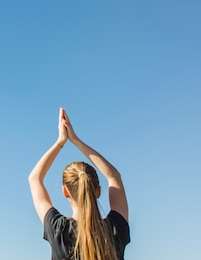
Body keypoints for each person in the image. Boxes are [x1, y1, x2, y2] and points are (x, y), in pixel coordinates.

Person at [28, 108, 130, 260]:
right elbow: (114, 177)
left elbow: (34, 178)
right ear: (98, 191)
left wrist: (61, 141)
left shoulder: (59, 231)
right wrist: (76, 140)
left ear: (65, 191)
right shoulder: (115, 228)